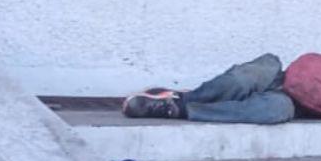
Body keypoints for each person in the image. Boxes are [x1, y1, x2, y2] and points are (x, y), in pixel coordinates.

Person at [122, 53, 296, 124]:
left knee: (275, 109)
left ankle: (178, 108)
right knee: (246, 78)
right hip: (283, 74)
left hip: (295, 101)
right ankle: (183, 98)